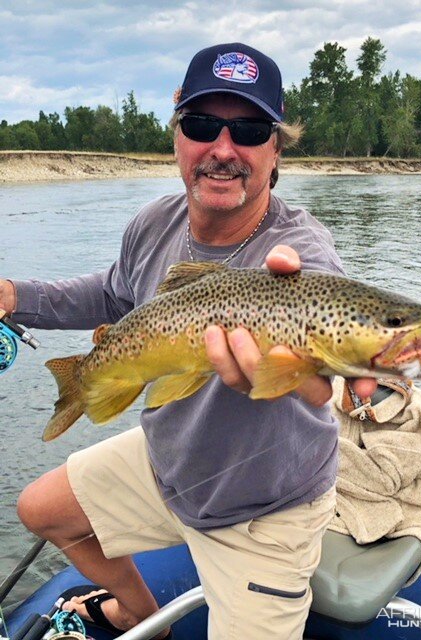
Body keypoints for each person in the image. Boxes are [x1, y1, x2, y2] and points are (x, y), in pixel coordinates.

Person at [1, 43, 376, 640]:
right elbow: (114, 292)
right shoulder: (154, 223)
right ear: (177, 137)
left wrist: (315, 377)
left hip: (263, 513)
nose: (223, 149)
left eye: (249, 129)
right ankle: (140, 614)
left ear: (276, 150)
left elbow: (318, 362)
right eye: (203, 125)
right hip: (169, 466)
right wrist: (15, 296)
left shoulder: (301, 255)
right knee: (40, 510)